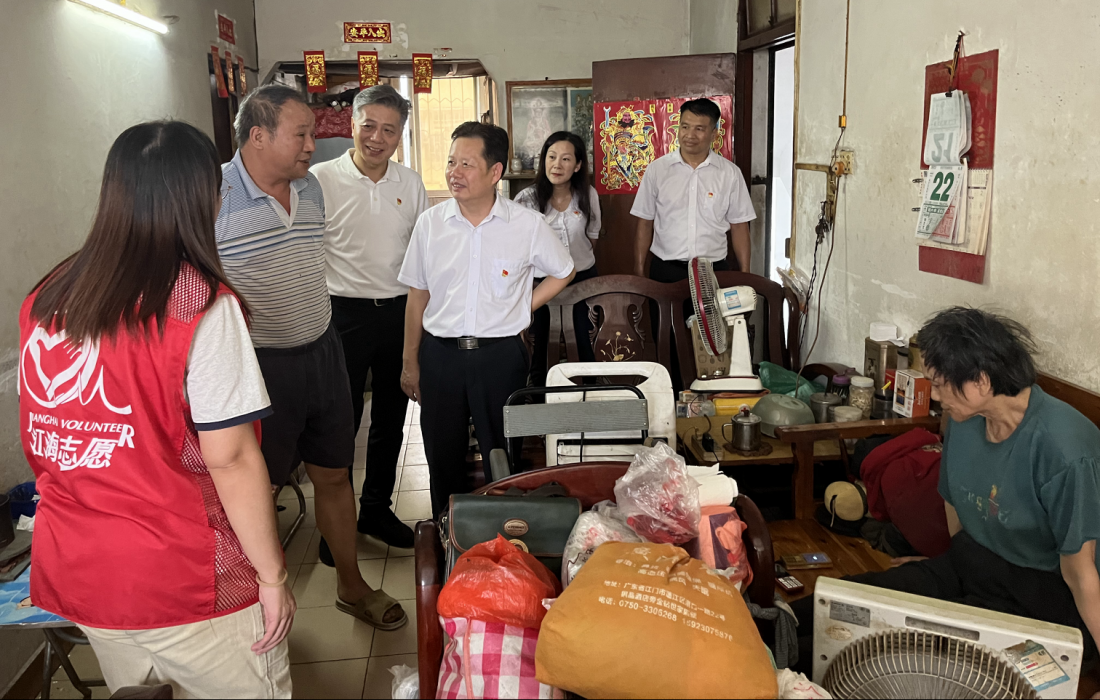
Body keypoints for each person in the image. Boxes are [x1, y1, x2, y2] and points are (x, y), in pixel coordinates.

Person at [18, 121, 293, 697]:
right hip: (183, 574)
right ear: (204, 199)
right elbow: (231, 458)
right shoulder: (198, 305)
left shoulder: (50, 295)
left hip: (83, 569)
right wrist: (272, 576)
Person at [793, 307, 1100, 669]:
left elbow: (1080, 575)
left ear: (980, 382)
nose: (935, 396)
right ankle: (762, 629)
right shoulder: (964, 420)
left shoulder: (1064, 449)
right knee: (843, 604)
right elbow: (954, 502)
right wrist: (951, 563)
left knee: (876, 650)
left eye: (939, 384)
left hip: (1045, 598)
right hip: (976, 565)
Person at [217, 84, 405, 630]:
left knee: (334, 473)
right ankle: (251, 602)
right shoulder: (215, 197)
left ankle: (350, 584)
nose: (311, 145)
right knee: (258, 487)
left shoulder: (309, 189)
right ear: (258, 136)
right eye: (300, 134)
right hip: (260, 367)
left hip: (322, 350)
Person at [398, 122, 575, 517]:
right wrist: (410, 361)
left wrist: (523, 307)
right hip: (440, 356)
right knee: (442, 455)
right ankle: (448, 534)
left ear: (495, 172)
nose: (454, 173)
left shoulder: (526, 225)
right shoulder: (431, 224)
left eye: (467, 164)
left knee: (502, 456)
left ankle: (504, 536)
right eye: (451, 162)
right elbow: (417, 295)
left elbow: (564, 270)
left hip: (500, 356)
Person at [310, 85, 428, 550]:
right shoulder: (319, 179)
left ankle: (376, 507)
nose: (377, 138)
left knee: (391, 418)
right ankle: (336, 521)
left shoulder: (410, 183)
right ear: (352, 124)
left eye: (389, 130)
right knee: (342, 421)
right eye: (369, 126)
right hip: (342, 315)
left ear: (400, 135)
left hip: (398, 312)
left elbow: (422, 255)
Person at [631, 97, 755, 280]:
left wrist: (745, 274)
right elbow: (645, 222)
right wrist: (639, 269)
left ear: (714, 134)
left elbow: (739, 226)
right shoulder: (657, 170)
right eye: (685, 127)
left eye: (699, 129)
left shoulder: (730, 173)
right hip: (666, 269)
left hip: (713, 271)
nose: (690, 135)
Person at [515, 131, 601, 387]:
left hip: (583, 280)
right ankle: (539, 396)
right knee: (540, 345)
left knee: (586, 341)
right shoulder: (526, 199)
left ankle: (589, 393)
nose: (557, 165)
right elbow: (518, 247)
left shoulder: (588, 195)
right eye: (551, 157)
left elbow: (592, 237)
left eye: (566, 159)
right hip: (541, 282)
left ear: (577, 165)